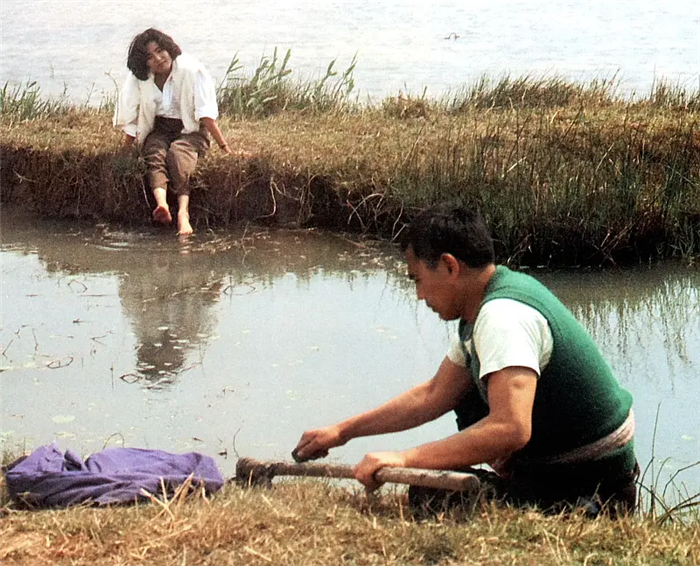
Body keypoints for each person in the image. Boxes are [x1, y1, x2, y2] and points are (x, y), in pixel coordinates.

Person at [294, 205, 638, 517]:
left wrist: (403, 459)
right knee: (438, 477)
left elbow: (511, 428)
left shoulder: (502, 317)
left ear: (449, 266)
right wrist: (342, 432)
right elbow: (434, 394)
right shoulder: (484, 305)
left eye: (418, 279)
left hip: (591, 487)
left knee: (431, 494)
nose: (418, 294)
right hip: (569, 469)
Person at [113, 28, 231, 236]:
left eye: (160, 51)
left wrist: (225, 147)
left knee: (178, 154)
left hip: (190, 129)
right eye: (150, 57)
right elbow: (131, 114)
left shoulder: (191, 70)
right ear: (144, 63)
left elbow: (205, 115)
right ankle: (162, 205)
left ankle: (183, 213)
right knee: (155, 152)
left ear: (168, 48)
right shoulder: (141, 78)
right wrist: (126, 149)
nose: (158, 59)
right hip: (160, 128)